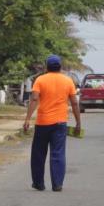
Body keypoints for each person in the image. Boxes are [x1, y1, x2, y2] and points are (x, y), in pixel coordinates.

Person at [22, 55, 81, 192]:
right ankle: (57, 184)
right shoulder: (68, 81)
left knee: (38, 154)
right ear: (60, 66)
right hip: (60, 123)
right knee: (58, 153)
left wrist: (27, 119)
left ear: (46, 66)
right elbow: (74, 102)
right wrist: (78, 122)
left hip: (42, 123)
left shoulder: (40, 80)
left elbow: (34, 99)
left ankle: (38, 183)